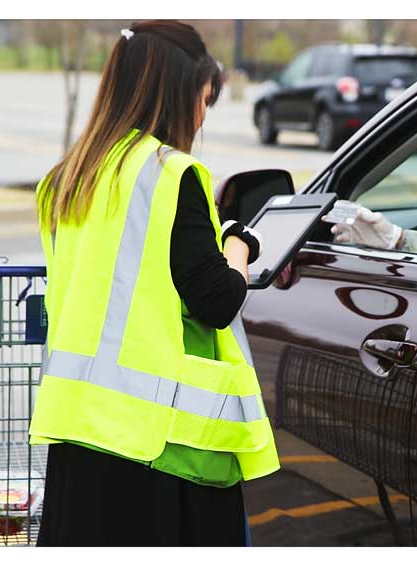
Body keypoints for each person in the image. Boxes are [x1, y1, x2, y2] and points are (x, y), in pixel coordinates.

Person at [28, 20, 279, 547]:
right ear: (177, 93)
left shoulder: (66, 179)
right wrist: (240, 245)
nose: (203, 114)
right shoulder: (171, 176)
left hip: (78, 430)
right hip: (157, 448)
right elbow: (216, 300)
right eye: (204, 99)